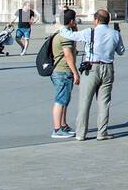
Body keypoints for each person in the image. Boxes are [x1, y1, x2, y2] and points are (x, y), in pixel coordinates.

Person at [75, 9, 124, 140]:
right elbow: (121, 51)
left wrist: (61, 27)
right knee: (104, 102)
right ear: (108, 21)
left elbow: (71, 35)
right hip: (108, 68)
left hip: (91, 67)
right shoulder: (115, 33)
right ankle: (102, 132)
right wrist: (117, 35)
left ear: (96, 20)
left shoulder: (89, 32)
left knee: (85, 101)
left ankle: (80, 134)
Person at [49, 8, 81, 140]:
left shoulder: (61, 32)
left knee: (64, 100)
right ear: (72, 21)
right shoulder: (65, 35)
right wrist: (75, 73)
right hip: (63, 71)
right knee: (60, 100)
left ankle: (63, 125)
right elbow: (68, 55)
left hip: (60, 70)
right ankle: (57, 129)